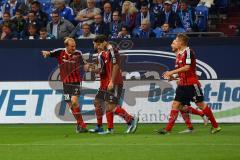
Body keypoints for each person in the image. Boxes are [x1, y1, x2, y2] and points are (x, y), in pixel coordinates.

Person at [157, 33, 221, 134]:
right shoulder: (179, 54)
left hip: (192, 84)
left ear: (181, 42)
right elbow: (182, 72)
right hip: (182, 85)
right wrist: (173, 77)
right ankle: (167, 129)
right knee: (175, 105)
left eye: (176, 41)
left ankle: (215, 126)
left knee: (201, 105)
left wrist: (171, 72)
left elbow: (187, 67)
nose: (175, 43)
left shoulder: (189, 52)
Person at [88, 35, 139, 134]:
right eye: (96, 45)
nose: (98, 47)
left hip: (115, 82)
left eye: (99, 44)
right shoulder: (105, 53)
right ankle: (106, 128)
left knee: (110, 106)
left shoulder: (112, 51)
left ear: (105, 42)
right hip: (107, 83)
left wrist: (111, 81)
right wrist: (91, 69)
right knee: (100, 103)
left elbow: (116, 66)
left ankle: (131, 120)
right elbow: (103, 69)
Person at [41, 38, 88, 133]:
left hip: (75, 82)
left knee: (74, 102)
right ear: (66, 46)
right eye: (72, 46)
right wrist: (46, 53)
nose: (74, 48)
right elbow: (49, 53)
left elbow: (84, 64)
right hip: (65, 83)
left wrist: (88, 67)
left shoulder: (78, 53)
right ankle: (80, 124)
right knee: (70, 103)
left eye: (75, 46)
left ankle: (82, 124)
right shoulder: (60, 52)